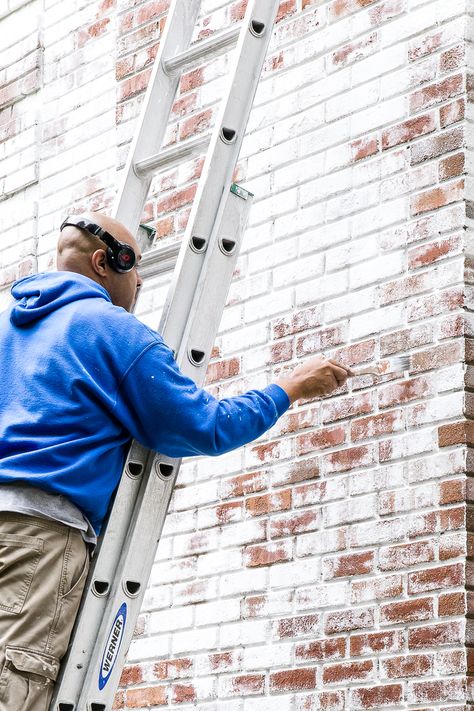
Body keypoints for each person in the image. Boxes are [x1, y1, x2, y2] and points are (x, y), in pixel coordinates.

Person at [0, 212, 352, 711]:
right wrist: (290, 387)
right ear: (104, 263)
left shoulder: (7, 326)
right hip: (40, 538)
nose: (141, 280)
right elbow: (202, 427)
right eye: (134, 267)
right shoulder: (113, 331)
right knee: (15, 682)